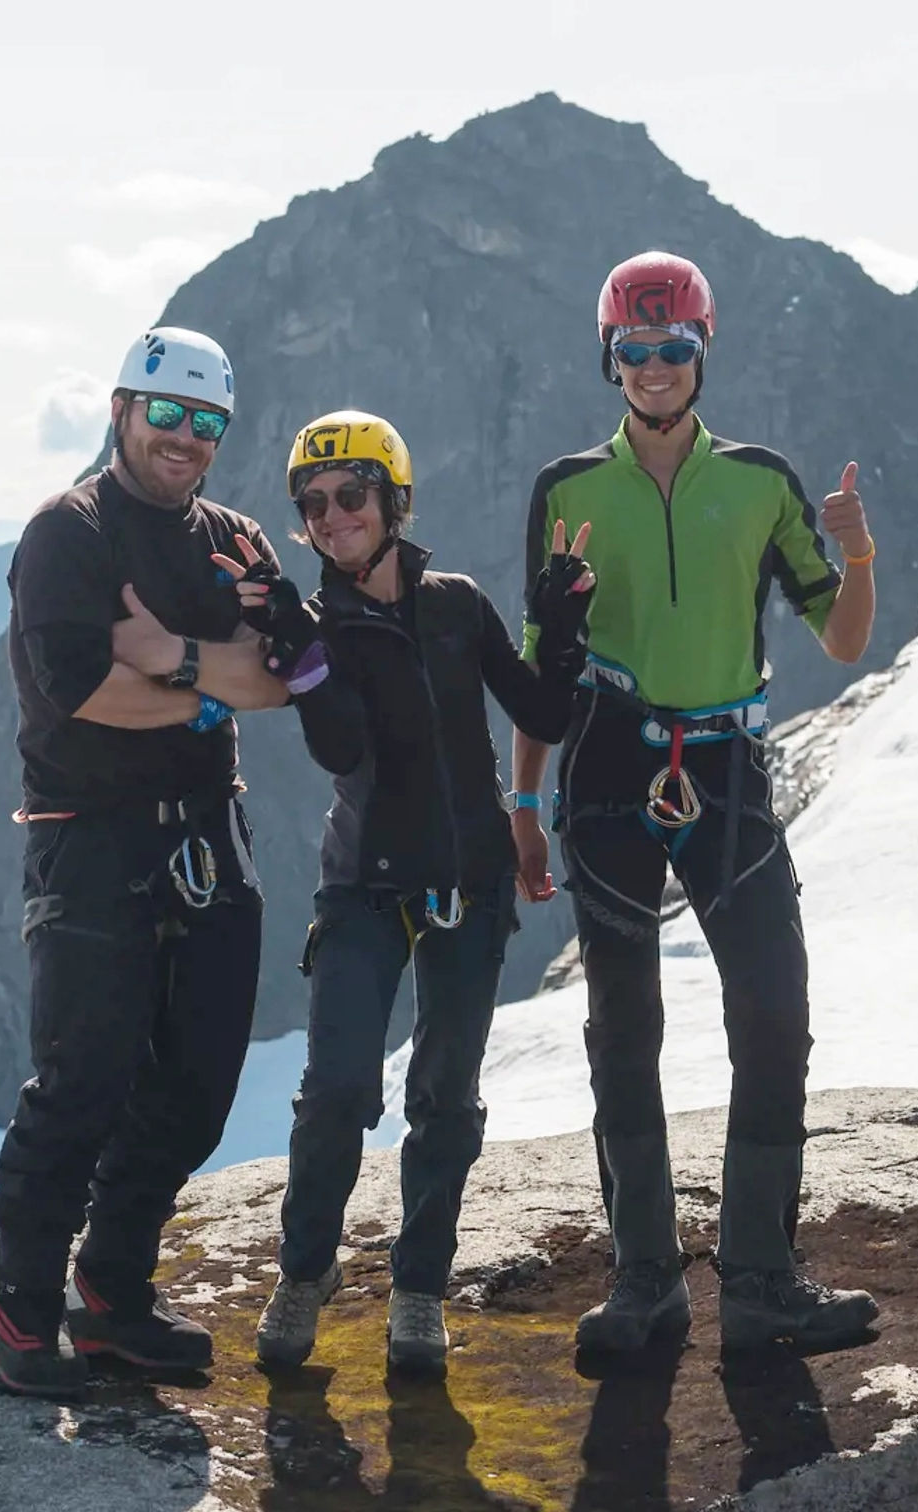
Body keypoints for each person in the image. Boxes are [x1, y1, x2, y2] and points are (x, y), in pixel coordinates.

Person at [510, 252, 881, 1357]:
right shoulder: (566, 490)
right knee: (624, 1029)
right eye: (635, 349)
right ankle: (646, 1285)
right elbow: (543, 663)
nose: (656, 366)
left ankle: (761, 1281)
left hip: (724, 768)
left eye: (674, 349)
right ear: (608, 356)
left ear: (704, 350)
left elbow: (844, 637)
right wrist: (521, 799)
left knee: (775, 1014)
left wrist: (856, 553)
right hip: (611, 764)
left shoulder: (762, 482)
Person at [212, 411, 597, 1376]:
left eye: (351, 496)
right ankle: (305, 1275)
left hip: (468, 883)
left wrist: (561, 624)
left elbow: (545, 712)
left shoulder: (458, 605)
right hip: (365, 889)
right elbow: (342, 748)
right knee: (338, 1090)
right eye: (314, 505)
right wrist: (297, 652)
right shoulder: (316, 625)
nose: (332, 517)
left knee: (446, 1098)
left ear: (392, 500)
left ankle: (418, 1292)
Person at [0, 326, 294, 1396]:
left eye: (209, 424)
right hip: (90, 834)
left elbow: (283, 676)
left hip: (208, 830)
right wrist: (212, 680)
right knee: (86, 1077)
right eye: (169, 415)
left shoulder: (236, 541)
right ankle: (21, 1310)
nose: (188, 440)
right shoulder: (66, 534)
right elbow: (79, 691)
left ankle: (112, 1291)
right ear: (121, 411)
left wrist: (170, 657)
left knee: (198, 1081)